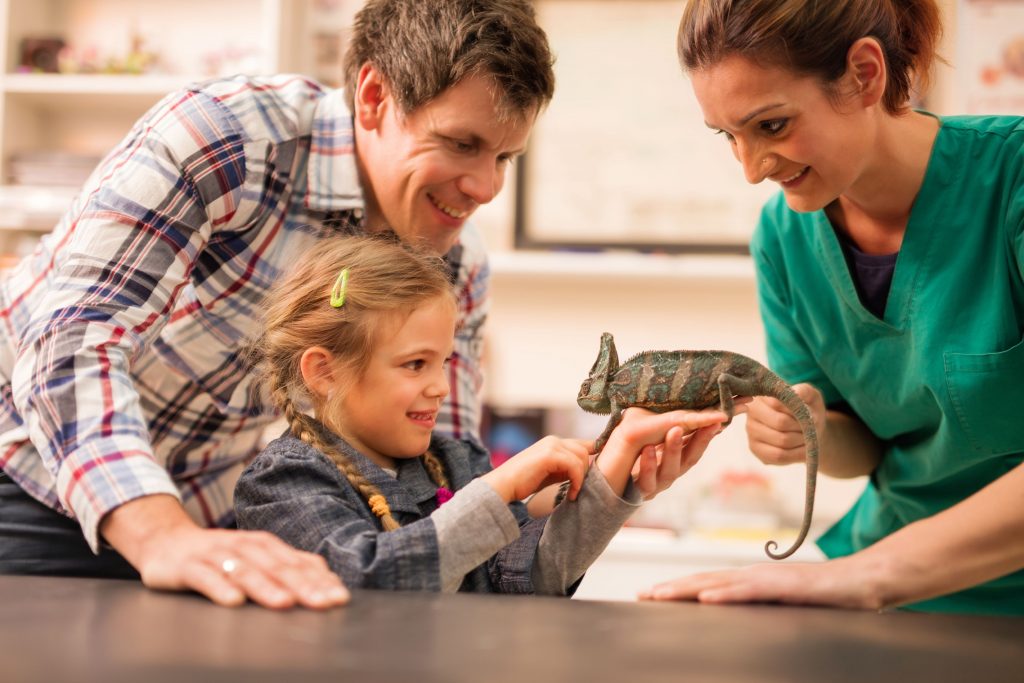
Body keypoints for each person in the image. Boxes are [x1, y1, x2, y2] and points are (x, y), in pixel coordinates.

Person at [0, 0, 556, 608]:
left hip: (202, 514)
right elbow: (73, 340)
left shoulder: (457, 263)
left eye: (504, 158)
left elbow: (435, 471)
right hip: (30, 474)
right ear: (373, 97)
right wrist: (161, 535)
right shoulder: (225, 139)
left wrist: (585, 495)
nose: (486, 188)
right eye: (460, 143)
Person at [640, 0, 1024, 615]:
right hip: (901, 598)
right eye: (729, 136)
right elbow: (865, 448)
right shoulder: (784, 240)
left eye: (771, 126)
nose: (751, 168)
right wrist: (813, 431)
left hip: (906, 578)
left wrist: (872, 575)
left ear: (865, 75)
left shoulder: (1013, 182)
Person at [234, 235, 732, 592]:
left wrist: (617, 465)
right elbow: (367, 579)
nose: (440, 387)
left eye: (444, 362)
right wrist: (497, 489)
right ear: (325, 372)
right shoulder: (283, 482)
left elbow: (527, 576)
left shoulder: (453, 461)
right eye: (415, 364)